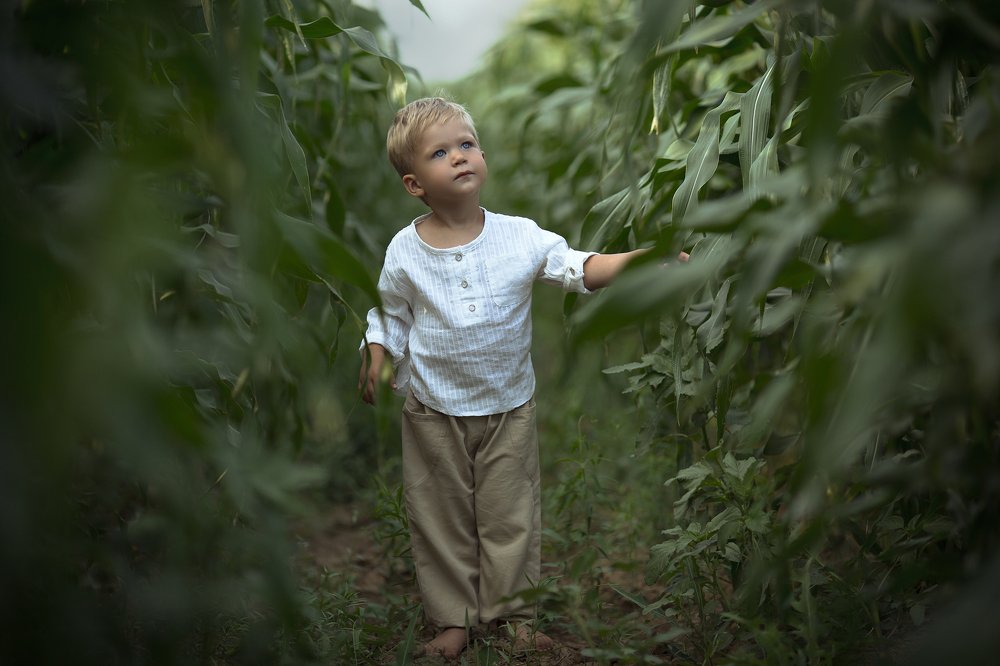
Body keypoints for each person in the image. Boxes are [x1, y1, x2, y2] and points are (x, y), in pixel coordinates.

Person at [359, 97, 686, 659]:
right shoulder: (405, 250)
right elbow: (390, 312)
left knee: (510, 515)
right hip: (433, 409)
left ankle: (512, 616)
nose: (459, 157)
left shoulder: (518, 236)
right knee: (440, 517)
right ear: (414, 184)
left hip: (508, 406)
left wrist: (641, 258)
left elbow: (580, 267)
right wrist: (377, 352)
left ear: (482, 155)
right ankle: (453, 620)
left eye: (467, 144)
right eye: (440, 153)